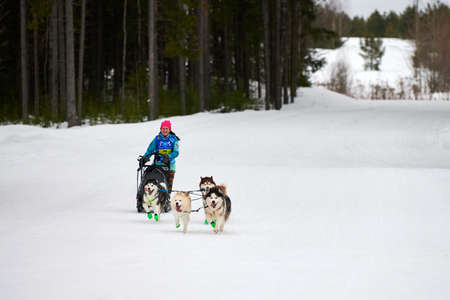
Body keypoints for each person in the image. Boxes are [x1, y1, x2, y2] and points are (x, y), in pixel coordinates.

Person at [141, 120, 180, 193]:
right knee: (155, 187)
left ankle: (167, 201)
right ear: (160, 129)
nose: (165, 130)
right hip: (157, 166)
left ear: (169, 129)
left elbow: (176, 152)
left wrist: (168, 156)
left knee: (167, 189)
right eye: (163, 128)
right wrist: (145, 157)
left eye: (166, 128)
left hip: (169, 167)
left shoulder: (174, 139)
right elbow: (150, 150)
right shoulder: (157, 139)